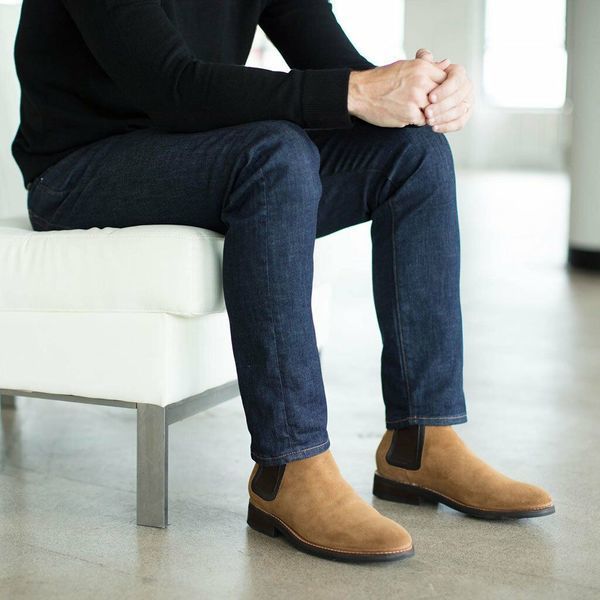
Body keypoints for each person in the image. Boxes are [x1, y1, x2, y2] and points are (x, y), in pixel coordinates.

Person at [12, 0, 554, 563]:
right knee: (276, 155)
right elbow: (171, 86)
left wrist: (423, 92)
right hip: (79, 168)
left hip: (202, 149)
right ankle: (289, 466)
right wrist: (358, 91)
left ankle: (422, 441)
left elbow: (338, 65)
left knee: (414, 153)